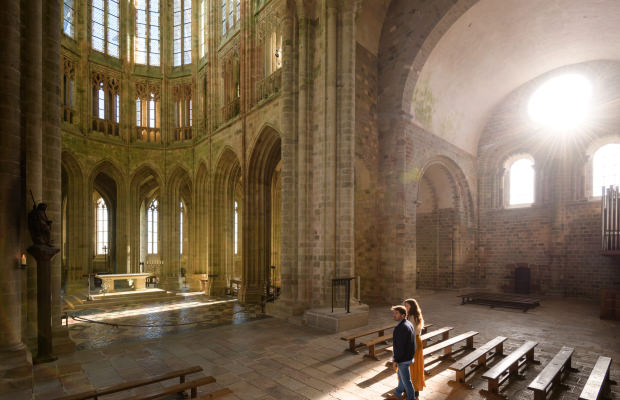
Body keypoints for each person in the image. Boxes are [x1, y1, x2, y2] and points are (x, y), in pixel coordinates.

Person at [389, 305, 416, 400]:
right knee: (401, 377)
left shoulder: (402, 328)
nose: (394, 315)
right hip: (407, 357)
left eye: (396, 313)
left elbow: (400, 347)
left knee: (407, 381)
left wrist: (395, 360)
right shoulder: (408, 323)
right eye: (394, 313)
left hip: (403, 359)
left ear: (403, 315)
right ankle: (397, 394)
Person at [404, 298, 426, 398]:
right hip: (416, 341)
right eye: (405, 306)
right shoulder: (414, 315)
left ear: (412, 306)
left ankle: (414, 388)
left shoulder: (412, 317)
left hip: (412, 342)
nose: (405, 308)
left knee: (413, 366)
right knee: (413, 366)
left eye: (407, 306)